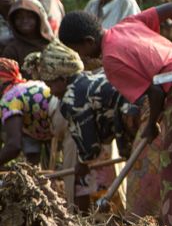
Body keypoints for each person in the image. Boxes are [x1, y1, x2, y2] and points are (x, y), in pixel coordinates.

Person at [58, 5, 172, 226]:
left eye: (77, 50)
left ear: (88, 41)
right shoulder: (126, 25)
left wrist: (151, 125)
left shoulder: (111, 60)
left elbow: (155, 92)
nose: (81, 56)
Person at [24, 41, 139, 212]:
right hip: (135, 114)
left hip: (135, 118)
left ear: (62, 79)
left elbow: (90, 146)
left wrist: (83, 163)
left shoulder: (72, 98)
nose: (51, 92)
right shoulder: (87, 78)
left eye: (50, 86)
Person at [0, 58, 64, 166]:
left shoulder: (9, 99)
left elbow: (13, 146)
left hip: (62, 117)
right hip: (62, 115)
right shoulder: (26, 86)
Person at [1, 0, 54, 67]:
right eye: (19, 17)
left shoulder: (51, 44)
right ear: (13, 22)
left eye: (30, 16)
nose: (25, 21)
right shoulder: (12, 51)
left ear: (38, 19)